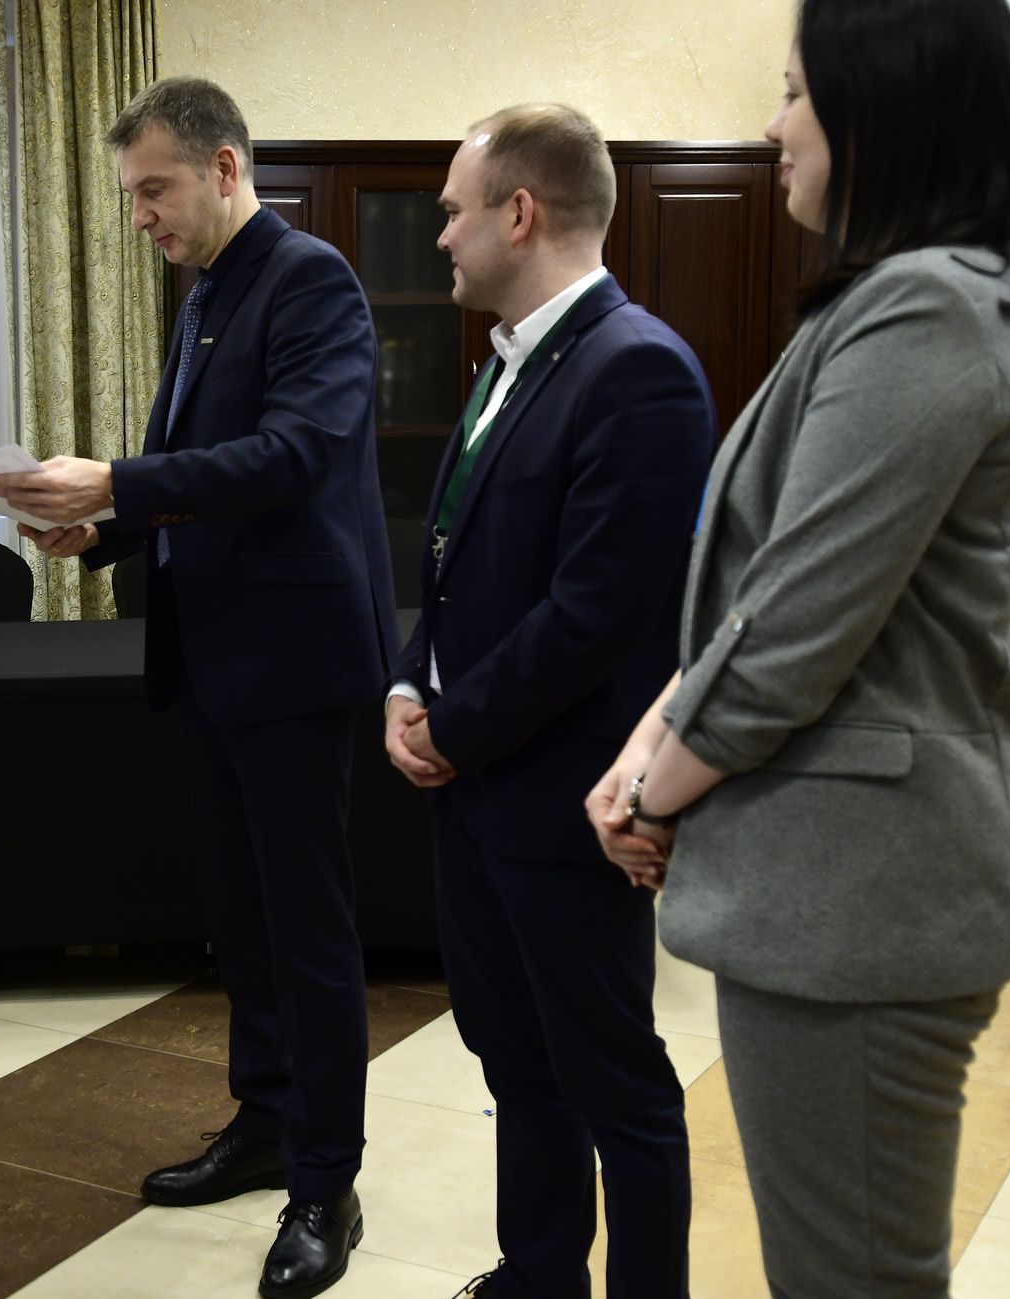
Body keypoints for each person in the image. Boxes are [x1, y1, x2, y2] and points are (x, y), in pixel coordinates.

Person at [586, 1, 1010, 1293]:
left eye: (795, 93)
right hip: (838, 890)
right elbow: (763, 593)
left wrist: (649, 787)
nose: (772, 127)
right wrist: (648, 743)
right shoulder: (909, 295)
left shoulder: (927, 306)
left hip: (860, 899)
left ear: (884, 108)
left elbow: (796, 626)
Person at [0, 76, 396, 1299]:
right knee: (243, 922)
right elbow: (196, 469)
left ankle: (325, 1181)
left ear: (226, 168)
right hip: (214, 659)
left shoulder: (310, 279)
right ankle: (265, 1122)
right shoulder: (210, 289)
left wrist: (114, 483)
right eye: (130, 197)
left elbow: (293, 456)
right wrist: (103, 530)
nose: (140, 217)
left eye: (153, 190)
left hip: (292, 662)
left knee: (306, 931)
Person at [385, 104, 714, 1299]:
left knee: (612, 1083)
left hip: (566, 805)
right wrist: (407, 680)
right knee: (514, 1063)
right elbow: (450, 563)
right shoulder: (507, 361)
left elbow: (595, 615)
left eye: (452, 212)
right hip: (478, 798)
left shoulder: (636, 370)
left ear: (518, 212)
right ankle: (537, 1277)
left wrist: (452, 728)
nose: (440, 237)